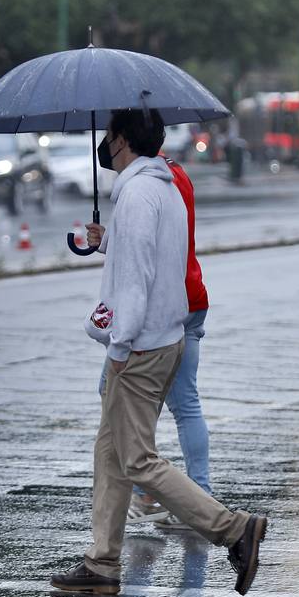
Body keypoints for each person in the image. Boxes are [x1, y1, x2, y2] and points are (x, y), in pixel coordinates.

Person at [50, 108, 267, 596]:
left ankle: (235, 529)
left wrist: (121, 345)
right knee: (110, 452)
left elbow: (136, 278)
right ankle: (102, 564)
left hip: (141, 344)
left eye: (109, 136)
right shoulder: (165, 186)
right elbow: (152, 258)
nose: (105, 145)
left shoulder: (138, 194)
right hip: (165, 335)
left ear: (123, 140)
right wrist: (111, 242)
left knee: (138, 460)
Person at [90, 151, 212, 530]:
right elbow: (163, 242)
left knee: (123, 398)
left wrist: (121, 342)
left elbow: (146, 259)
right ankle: (192, 494)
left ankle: (158, 498)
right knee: (182, 403)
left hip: (163, 310)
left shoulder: (148, 185)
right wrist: (109, 240)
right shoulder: (175, 176)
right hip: (190, 296)